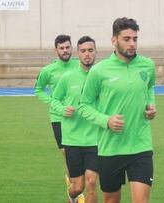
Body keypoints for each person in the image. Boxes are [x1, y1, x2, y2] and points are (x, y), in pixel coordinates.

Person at [78, 17, 156, 203]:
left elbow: (150, 87)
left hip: (141, 146)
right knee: (111, 200)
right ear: (114, 40)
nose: (132, 43)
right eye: (126, 39)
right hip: (111, 149)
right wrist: (106, 121)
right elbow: (84, 105)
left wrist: (151, 105)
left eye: (135, 39)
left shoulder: (147, 65)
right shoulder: (99, 71)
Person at [51, 36, 98, 203]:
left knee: (92, 181)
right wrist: (63, 109)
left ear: (95, 52)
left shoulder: (101, 76)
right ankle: (72, 197)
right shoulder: (68, 77)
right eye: (83, 51)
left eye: (90, 50)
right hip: (73, 139)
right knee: (78, 187)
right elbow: (54, 100)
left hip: (95, 138)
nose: (87, 54)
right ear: (78, 53)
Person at [34, 34, 79, 196]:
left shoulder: (79, 65)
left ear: (71, 48)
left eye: (68, 47)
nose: (65, 51)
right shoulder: (48, 70)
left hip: (79, 117)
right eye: (62, 48)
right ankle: (74, 185)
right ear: (56, 50)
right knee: (67, 152)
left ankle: (75, 183)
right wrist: (53, 102)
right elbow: (38, 90)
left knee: (79, 151)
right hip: (58, 118)